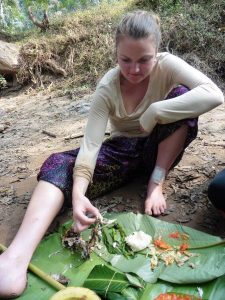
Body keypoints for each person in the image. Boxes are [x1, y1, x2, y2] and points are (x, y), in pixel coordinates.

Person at [0, 10, 224, 298]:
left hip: (160, 150)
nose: (134, 70)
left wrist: (157, 111)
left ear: (156, 51)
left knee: (181, 93)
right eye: (125, 60)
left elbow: (214, 94)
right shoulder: (107, 87)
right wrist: (79, 193)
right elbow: (91, 146)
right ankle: (14, 260)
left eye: (144, 59)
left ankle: (156, 184)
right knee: (59, 162)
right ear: (116, 55)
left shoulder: (168, 65)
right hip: (120, 154)